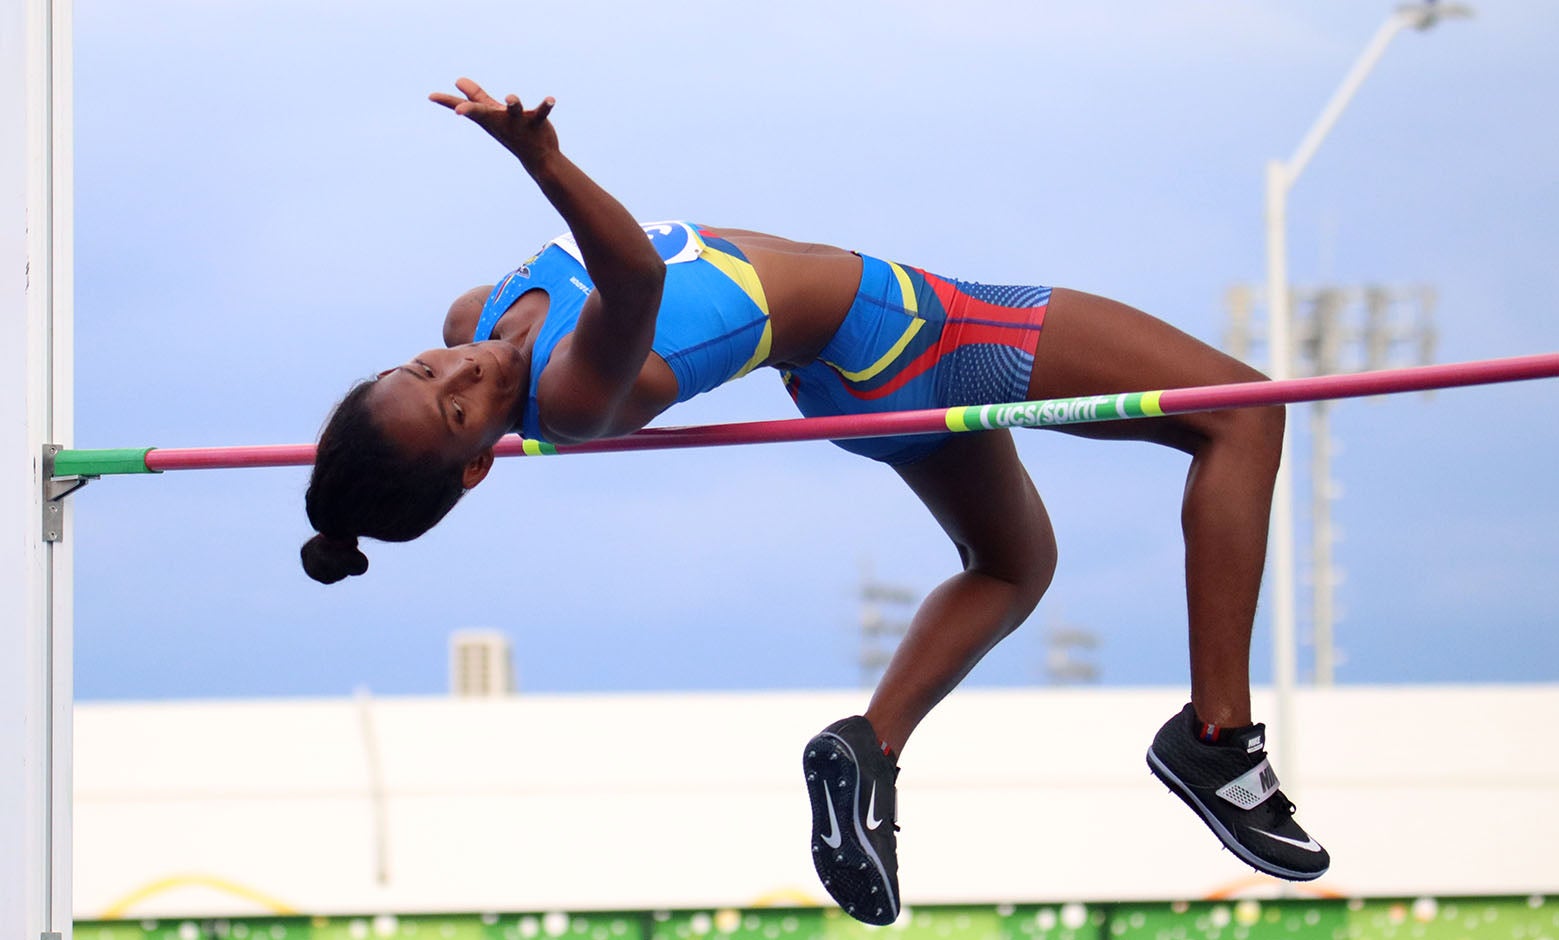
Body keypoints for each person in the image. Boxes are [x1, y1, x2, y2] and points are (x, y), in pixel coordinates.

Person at [301, 78, 1327, 921]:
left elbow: (563, 306)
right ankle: (1218, 738)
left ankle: (868, 750)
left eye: (421, 369)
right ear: (478, 460)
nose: (458, 372)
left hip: (851, 368)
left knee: (1013, 565)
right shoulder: (570, 396)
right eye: (452, 412)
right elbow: (633, 282)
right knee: (1242, 413)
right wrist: (545, 164)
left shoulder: (470, 315)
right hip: (916, 330)